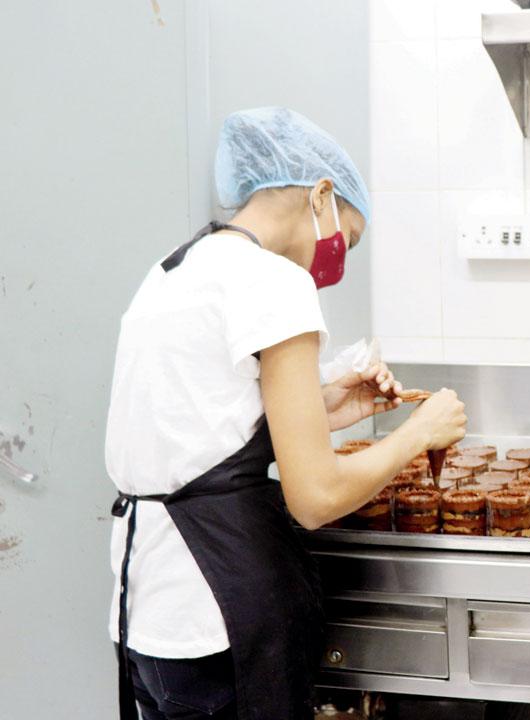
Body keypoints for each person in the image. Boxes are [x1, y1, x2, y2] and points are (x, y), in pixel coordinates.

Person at [105, 107, 467, 720]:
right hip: (223, 612)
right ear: (322, 193)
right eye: (345, 238)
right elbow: (317, 496)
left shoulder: (174, 269)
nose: (336, 259)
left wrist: (327, 405)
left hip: (149, 608)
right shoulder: (273, 281)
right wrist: (418, 434)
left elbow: (198, 424)